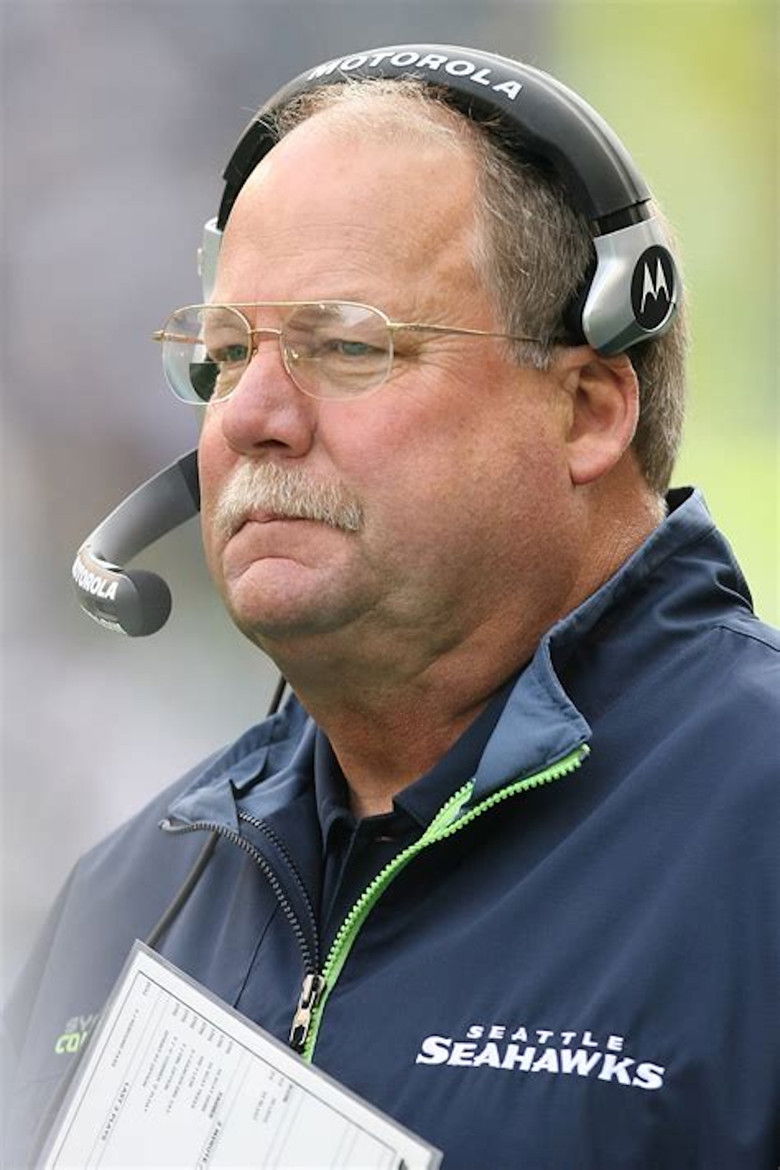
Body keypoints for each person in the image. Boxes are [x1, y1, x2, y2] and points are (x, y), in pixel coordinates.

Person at [4, 46, 779, 1170]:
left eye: (345, 345)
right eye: (227, 353)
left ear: (587, 411)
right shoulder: (129, 893)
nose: (249, 414)